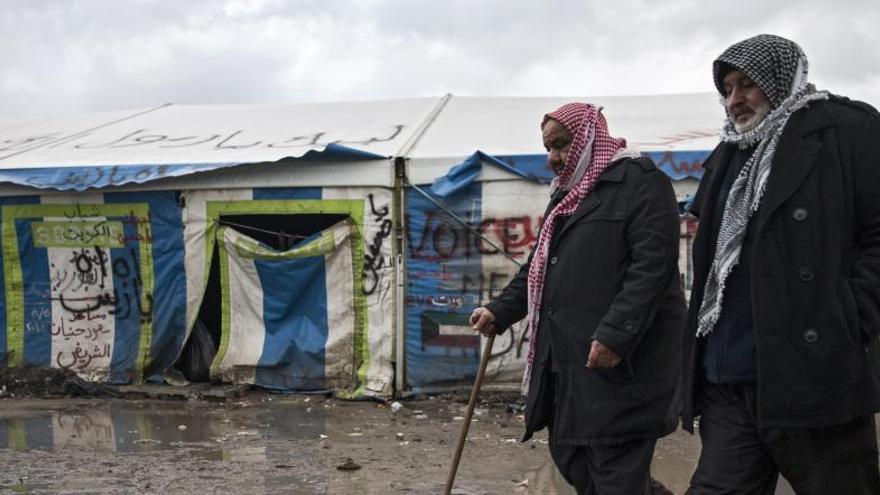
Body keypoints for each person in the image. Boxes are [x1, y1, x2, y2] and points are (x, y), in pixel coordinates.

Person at [681, 34, 880, 494]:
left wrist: (848, 317)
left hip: (813, 370)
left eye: (746, 84)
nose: (734, 100)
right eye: (727, 88)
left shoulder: (847, 131)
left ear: (779, 78)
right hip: (728, 377)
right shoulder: (727, 155)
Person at [470, 102, 686, 495]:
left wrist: (616, 336)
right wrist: (498, 312)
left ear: (589, 138)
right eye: (549, 148)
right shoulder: (566, 198)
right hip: (566, 365)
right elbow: (539, 268)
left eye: (562, 145)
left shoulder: (640, 183)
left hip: (620, 367)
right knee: (576, 463)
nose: (553, 158)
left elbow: (652, 270)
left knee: (615, 472)